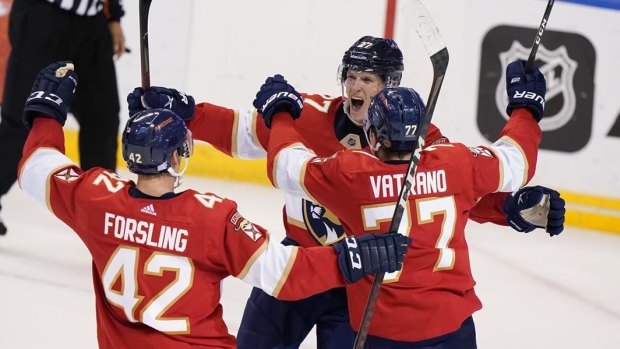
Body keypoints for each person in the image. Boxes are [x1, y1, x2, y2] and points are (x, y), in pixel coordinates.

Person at [126, 35, 565, 348]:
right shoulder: (310, 113)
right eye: (351, 76)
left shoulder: (420, 140)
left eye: (368, 79)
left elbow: (448, 198)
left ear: (390, 85)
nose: (355, 87)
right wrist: (185, 114)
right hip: (299, 263)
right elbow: (241, 130)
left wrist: (506, 207)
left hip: (358, 280)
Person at [17, 61, 411, 348]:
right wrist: (351, 256)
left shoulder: (95, 199)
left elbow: (38, 166)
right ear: (177, 157)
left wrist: (47, 112)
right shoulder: (211, 219)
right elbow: (284, 272)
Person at [254, 56, 555, 347]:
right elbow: (517, 161)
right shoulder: (457, 163)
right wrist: (525, 107)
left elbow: (284, 165)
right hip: (452, 328)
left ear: (372, 135)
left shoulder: (351, 175)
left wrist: (280, 114)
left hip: (381, 329)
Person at [0, 0, 126, 236]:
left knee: (102, 122)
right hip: (42, 16)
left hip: (92, 23)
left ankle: (102, 219)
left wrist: (113, 17)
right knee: (23, 122)